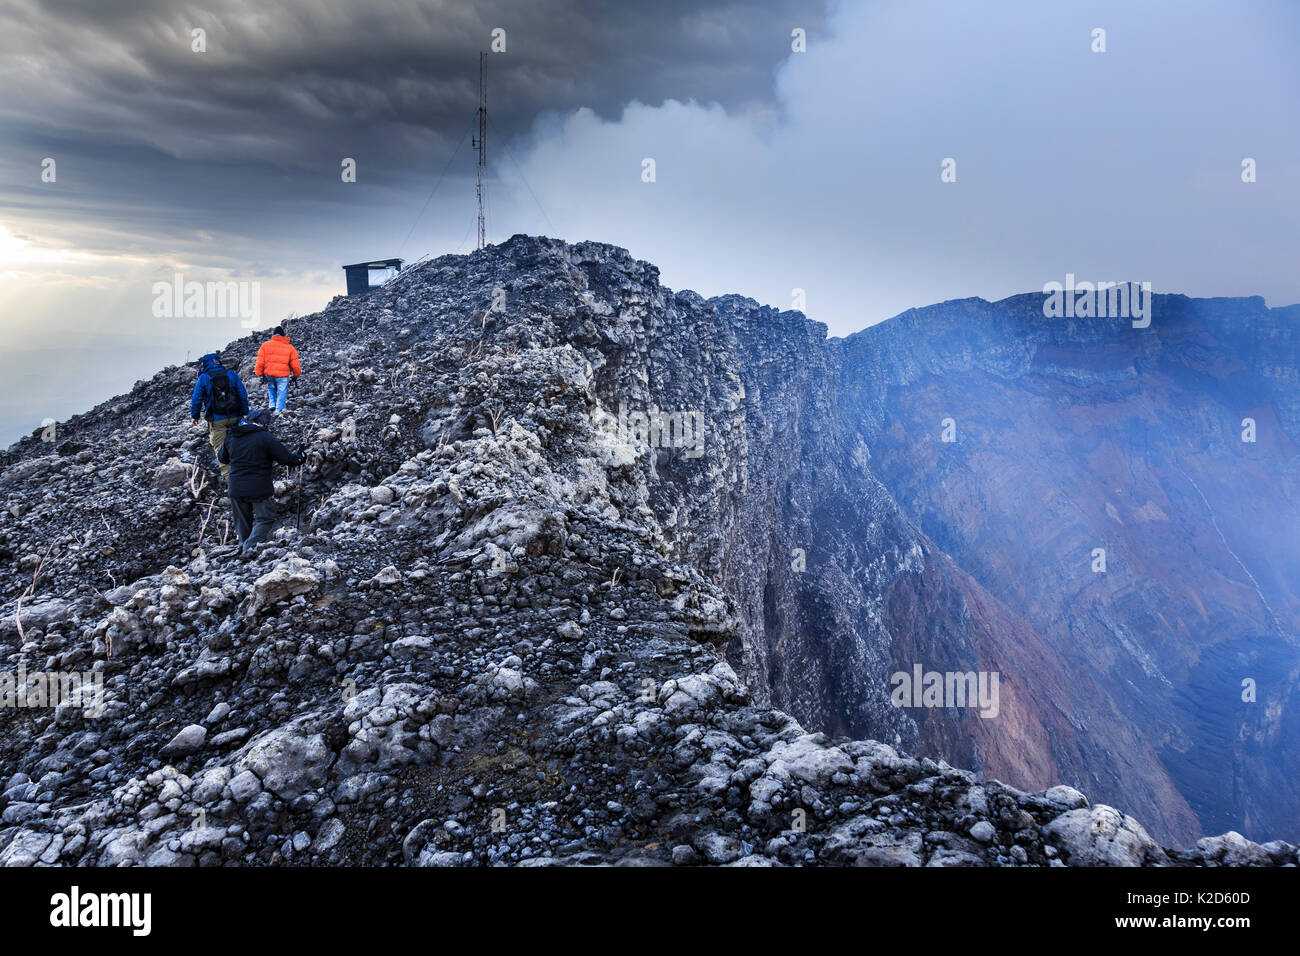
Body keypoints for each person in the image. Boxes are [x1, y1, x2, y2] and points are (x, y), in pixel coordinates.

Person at [218, 408, 304, 554]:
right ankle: (249, 547)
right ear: (264, 424)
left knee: (242, 520)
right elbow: (286, 459)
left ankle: (242, 546)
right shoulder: (265, 437)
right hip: (259, 487)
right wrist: (301, 456)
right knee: (265, 518)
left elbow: (222, 458)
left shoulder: (232, 435)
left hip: (236, 487)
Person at [189, 352, 250, 482]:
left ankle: (230, 480)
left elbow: (197, 398)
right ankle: (244, 472)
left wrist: (195, 415)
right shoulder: (231, 374)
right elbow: (242, 393)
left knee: (220, 449)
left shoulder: (204, 378)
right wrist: (245, 411)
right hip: (236, 416)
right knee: (239, 444)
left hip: (217, 419)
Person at [253, 326, 301, 413]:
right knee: (281, 392)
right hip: (282, 376)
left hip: (269, 374)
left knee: (271, 388)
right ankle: (278, 410)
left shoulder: (265, 345)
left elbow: (260, 362)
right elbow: (295, 365)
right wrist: (296, 375)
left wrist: (259, 373)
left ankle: (272, 405)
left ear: (273, 335)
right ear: (283, 335)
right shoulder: (290, 348)